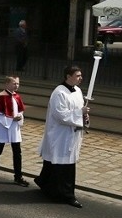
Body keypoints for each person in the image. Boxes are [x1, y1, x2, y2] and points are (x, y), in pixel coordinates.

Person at [35, 66, 89, 208]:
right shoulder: (59, 92)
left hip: (72, 133)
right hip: (60, 134)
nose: (80, 78)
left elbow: (79, 109)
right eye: (77, 75)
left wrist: (84, 116)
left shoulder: (77, 90)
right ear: (68, 76)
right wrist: (79, 113)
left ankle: (44, 182)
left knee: (61, 163)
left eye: (80, 75)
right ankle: (66, 195)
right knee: (62, 165)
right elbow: (61, 115)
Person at [0, 76, 28, 186]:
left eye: (18, 83)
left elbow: (20, 110)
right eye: (14, 83)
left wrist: (19, 116)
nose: (16, 85)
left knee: (17, 152)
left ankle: (18, 176)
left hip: (14, 127)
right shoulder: (1, 96)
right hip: (4, 127)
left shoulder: (17, 96)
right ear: (7, 84)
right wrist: (10, 119)